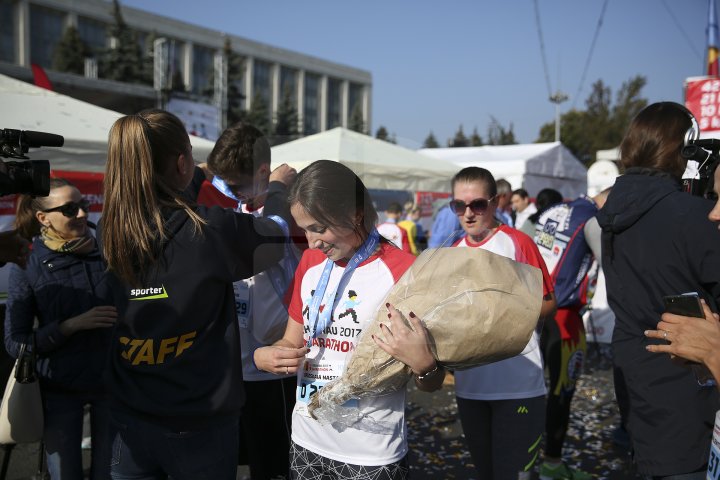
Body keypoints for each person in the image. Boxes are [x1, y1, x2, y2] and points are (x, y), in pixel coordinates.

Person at [99, 109, 295, 480]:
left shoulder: (109, 228)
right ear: (182, 162)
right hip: (196, 419)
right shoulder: (209, 231)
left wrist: (192, 172)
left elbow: (161, 201)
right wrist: (280, 189)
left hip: (129, 412)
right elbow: (276, 233)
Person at [254, 160, 444, 480]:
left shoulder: (405, 272)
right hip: (307, 440)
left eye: (319, 228)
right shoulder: (311, 263)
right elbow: (292, 339)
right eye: (304, 229)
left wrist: (426, 366)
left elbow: (433, 381)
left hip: (371, 454)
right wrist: (266, 355)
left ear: (355, 214)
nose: (311, 242)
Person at [596, 101, 720, 478]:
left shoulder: (612, 213)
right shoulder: (691, 214)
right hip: (690, 377)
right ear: (684, 147)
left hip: (635, 365)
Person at [5, 178, 117, 480]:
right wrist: (69, 327)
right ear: (43, 218)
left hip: (114, 385)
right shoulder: (27, 263)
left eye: (82, 205)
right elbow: (15, 344)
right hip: (60, 392)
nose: (81, 214)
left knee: (111, 473)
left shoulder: (110, 250)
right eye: (69, 209)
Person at [448, 167, 556, 479]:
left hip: (518, 386)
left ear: (495, 203)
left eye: (477, 205)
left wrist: (503, 313)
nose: (468, 214)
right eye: (459, 206)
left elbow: (549, 302)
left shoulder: (517, 242)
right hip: (471, 388)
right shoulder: (453, 251)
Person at [204, 122, 298, 480]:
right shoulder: (234, 213)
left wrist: (280, 192)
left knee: (273, 464)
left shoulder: (293, 215)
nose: (230, 192)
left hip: (275, 369)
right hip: (233, 368)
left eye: (236, 184)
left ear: (264, 172)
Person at [534, 188, 610, 480]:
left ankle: (525, 461)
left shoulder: (555, 210)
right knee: (561, 393)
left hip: (534, 311)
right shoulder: (593, 217)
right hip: (564, 317)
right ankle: (551, 464)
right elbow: (609, 260)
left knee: (529, 388)